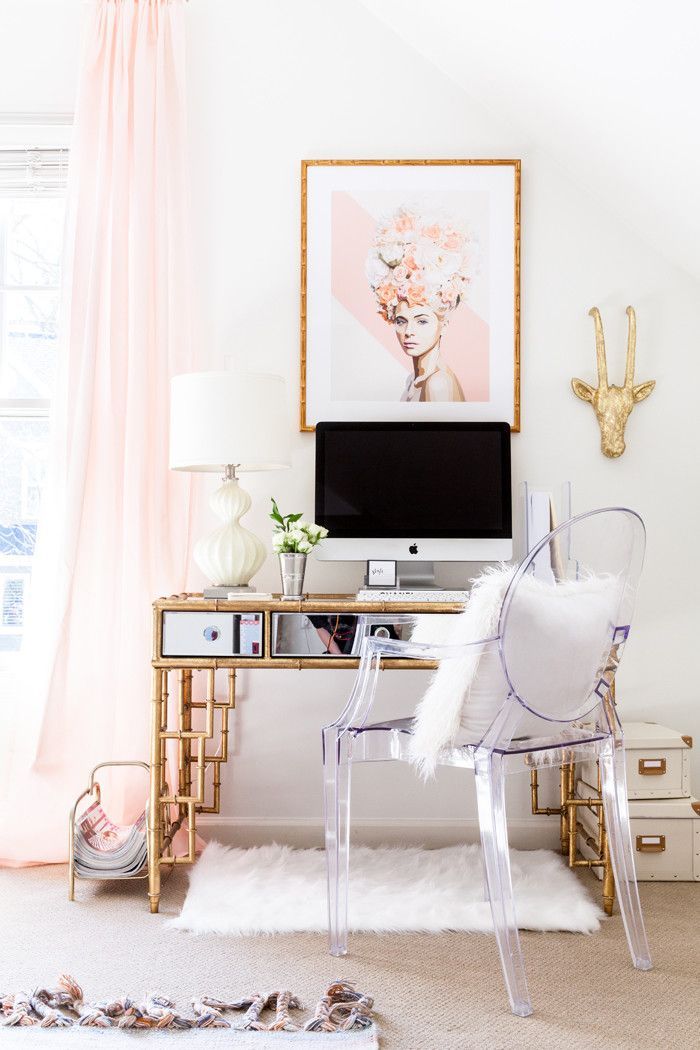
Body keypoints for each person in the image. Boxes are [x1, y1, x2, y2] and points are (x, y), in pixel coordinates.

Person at [365, 206, 477, 402]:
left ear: (444, 324)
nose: (408, 331)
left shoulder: (438, 383)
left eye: (422, 321)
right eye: (401, 321)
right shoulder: (413, 380)